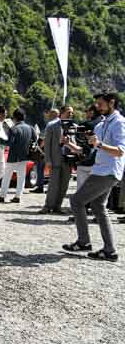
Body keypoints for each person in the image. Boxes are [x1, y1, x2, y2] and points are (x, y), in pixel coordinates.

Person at [62, 93, 125, 261]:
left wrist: (99, 144)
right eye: (96, 104)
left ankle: (84, 242)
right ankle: (109, 250)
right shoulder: (101, 125)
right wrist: (69, 144)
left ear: (112, 103)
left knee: (76, 201)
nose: (97, 106)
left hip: (107, 171)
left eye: (100, 104)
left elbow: (120, 151)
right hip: (101, 170)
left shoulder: (119, 122)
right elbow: (88, 151)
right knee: (98, 206)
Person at [0, 108, 35, 204]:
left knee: (7, 176)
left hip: (13, 156)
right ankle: (18, 196)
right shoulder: (30, 128)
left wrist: (0, 139)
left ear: (14, 117)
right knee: (21, 177)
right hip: (25, 156)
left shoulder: (14, 129)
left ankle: (2, 196)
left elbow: (9, 143)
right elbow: (35, 139)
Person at [41, 105, 75, 214]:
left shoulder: (73, 126)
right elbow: (47, 145)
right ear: (62, 112)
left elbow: (75, 144)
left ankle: (58, 206)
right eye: (69, 112)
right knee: (53, 185)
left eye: (72, 113)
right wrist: (48, 160)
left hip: (68, 160)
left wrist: (70, 142)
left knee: (64, 185)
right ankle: (47, 206)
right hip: (55, 159)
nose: (71, 114)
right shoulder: (52, 125)